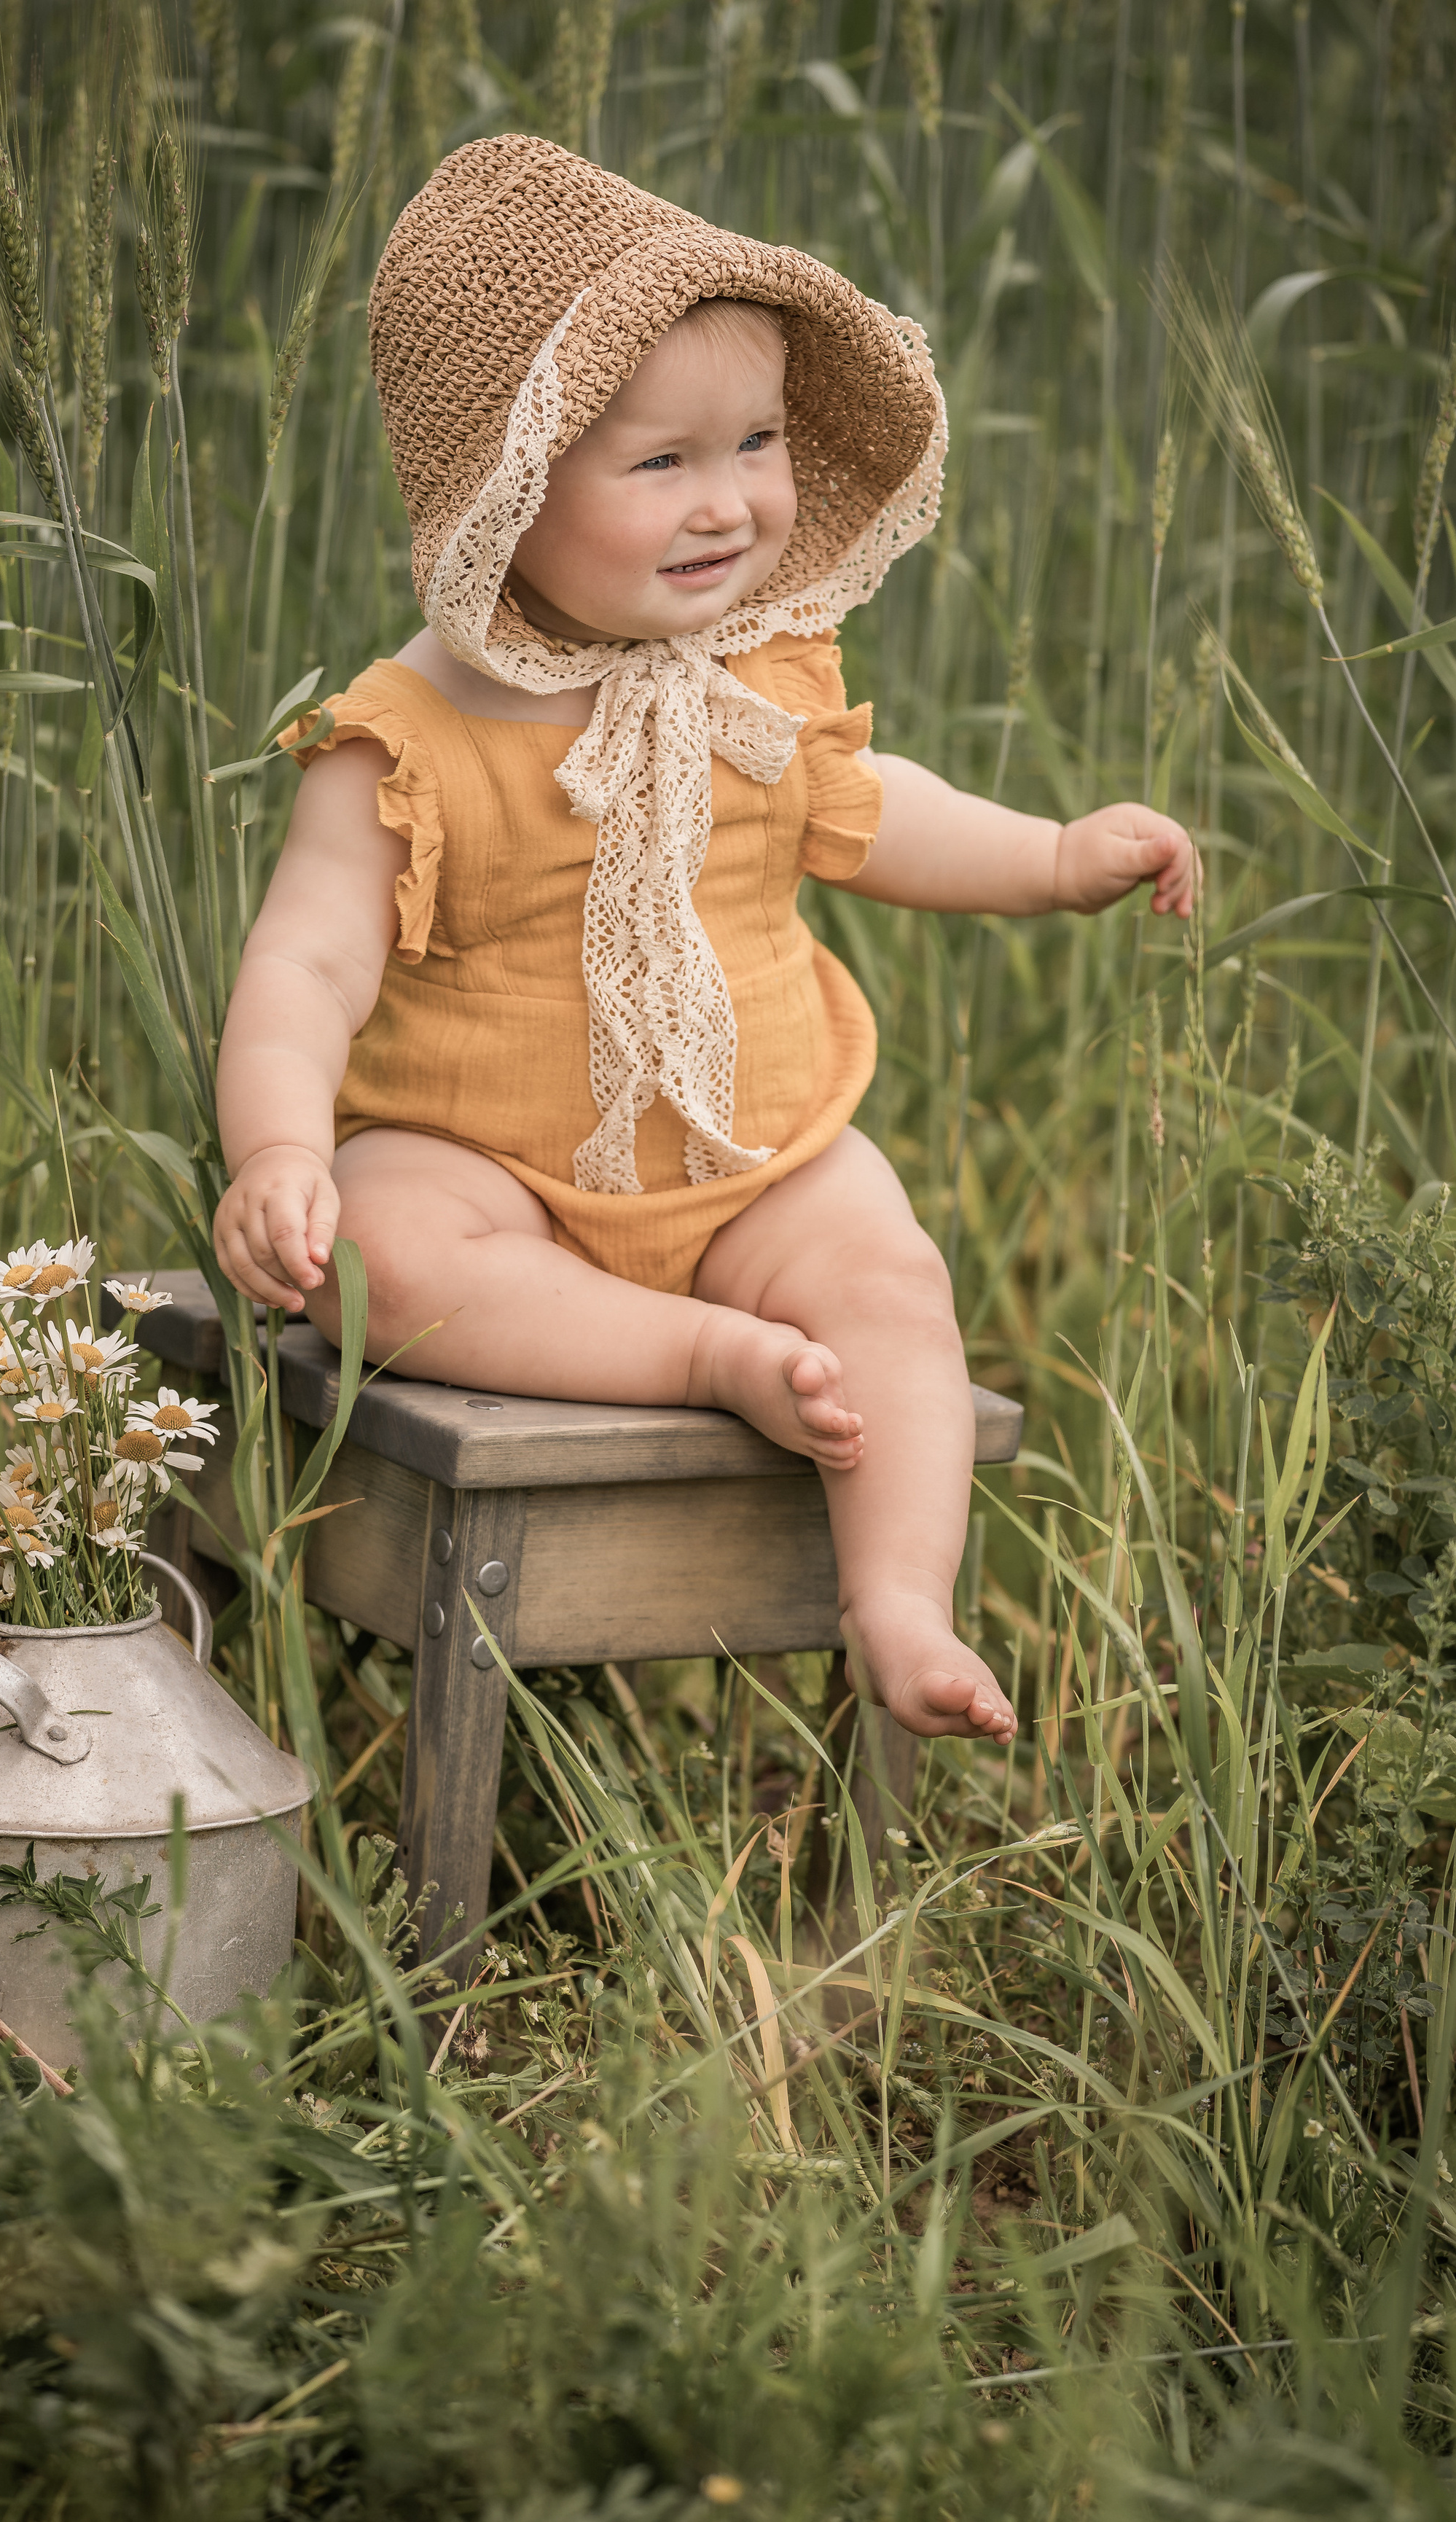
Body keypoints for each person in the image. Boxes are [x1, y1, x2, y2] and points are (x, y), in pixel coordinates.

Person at [213, 136, 1192, 1750]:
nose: (729, 500)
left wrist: (1053, 857)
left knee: (889, 1273)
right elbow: (306, 965)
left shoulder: (764, 672)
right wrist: (276, 1147)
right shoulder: (402, 737)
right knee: (390, 1256)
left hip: (750, 1155)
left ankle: (901, 1600)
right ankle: (705, 1356)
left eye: (753, 441)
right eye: (657, 463)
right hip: (489, 1164)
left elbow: (877, 806)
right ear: (502, 492)